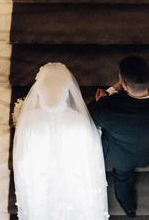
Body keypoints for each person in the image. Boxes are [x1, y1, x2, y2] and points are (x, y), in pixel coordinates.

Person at [88, 55, 149, 218]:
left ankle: (129, 210)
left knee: (122, 179)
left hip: (119, 158)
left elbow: (88, 116)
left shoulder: (106, 108)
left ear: (124, 86)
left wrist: (110, 92)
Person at [13, 62, 109, 220]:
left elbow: (22, 158)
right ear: (67, 91)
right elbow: (90, 155)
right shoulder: (78, 120)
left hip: (40, 177)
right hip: (73, 177)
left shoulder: (29, 119)